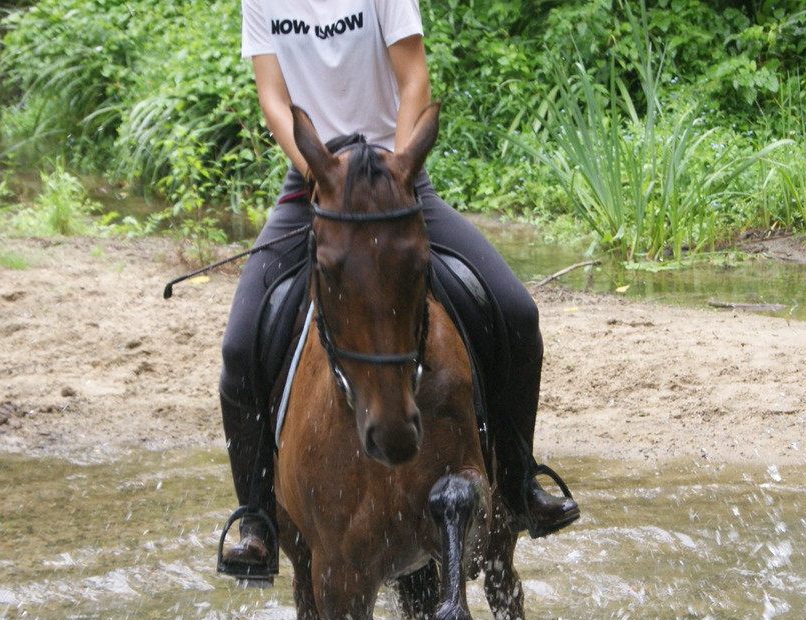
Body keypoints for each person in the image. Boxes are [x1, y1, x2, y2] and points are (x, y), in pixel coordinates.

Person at [219, 0, 579, 577]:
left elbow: (414, 77)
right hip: (317, 177)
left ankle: (517, 481)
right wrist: (319, 173)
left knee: (516, 312)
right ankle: (257, 516)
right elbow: (273, 97)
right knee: (240, 346)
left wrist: (395, 166)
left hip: (395, 174)